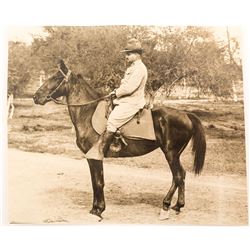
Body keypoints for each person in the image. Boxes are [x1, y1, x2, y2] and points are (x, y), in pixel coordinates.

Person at [86, 38, 148, 160]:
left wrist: (116, 93)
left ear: (136, 54)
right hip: (125, 101)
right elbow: (124, 85)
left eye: (128, 53)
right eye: (126, 53)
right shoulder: (132, 67)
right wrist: (114, 93)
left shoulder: (140, 68)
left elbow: (129, 88)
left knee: (112, 121)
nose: (126, 56)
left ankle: (100, 150)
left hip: (132, 103)